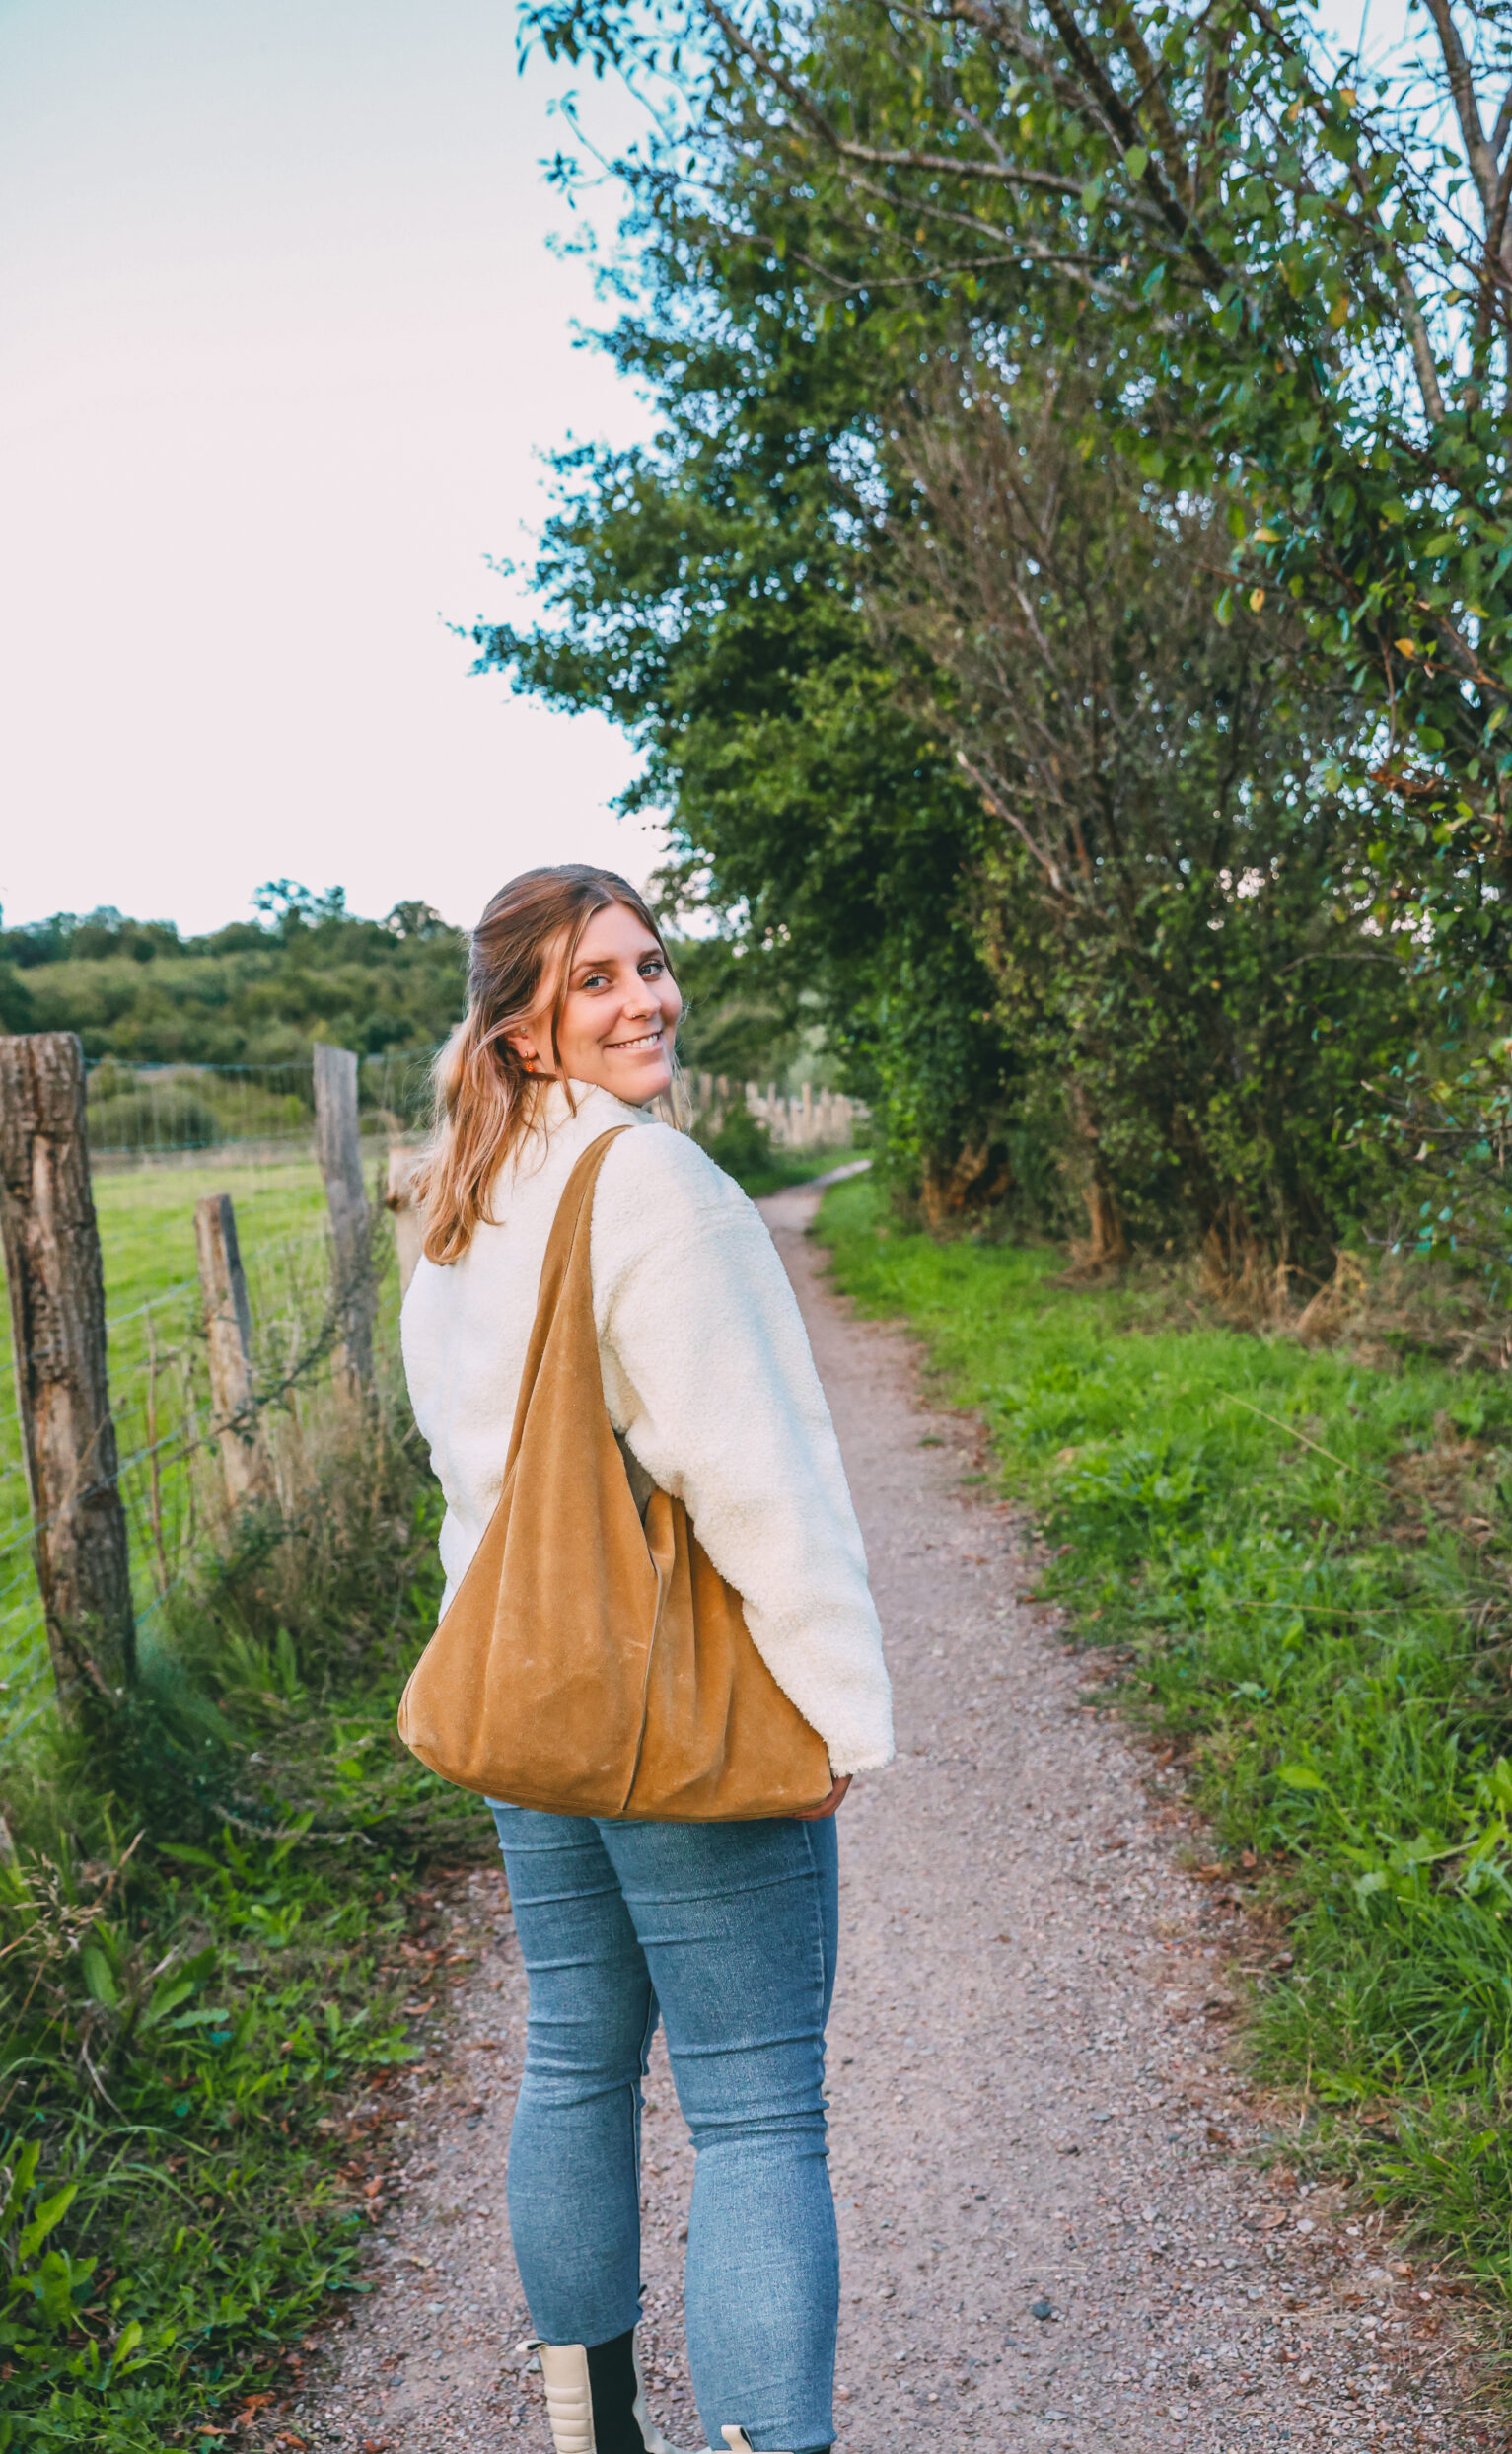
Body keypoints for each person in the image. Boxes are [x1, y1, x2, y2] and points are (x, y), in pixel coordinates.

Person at [400, 866, 894, 2454]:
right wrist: (837, 1716)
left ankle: (589, 2432)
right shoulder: (656, 1186)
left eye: (651, 965)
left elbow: (464, 1465)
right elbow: (760, 1476)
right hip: (673, 1712)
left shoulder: (459, 1202)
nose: (643, 1000)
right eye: (594, 980)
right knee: (754, 2112)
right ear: (526, 1028)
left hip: (526, 1688)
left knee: (574, 2057)